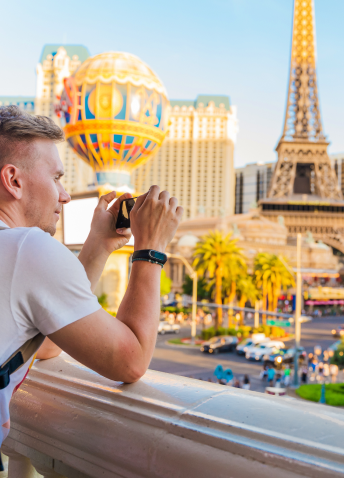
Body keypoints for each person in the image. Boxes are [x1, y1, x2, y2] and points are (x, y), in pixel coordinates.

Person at [0, 106, 183, 448]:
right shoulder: (27, 247)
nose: (65, 195)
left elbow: (48, 340)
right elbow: (130, 361)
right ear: (13, 180)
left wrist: (97, 246)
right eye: (56, 178)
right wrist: (151, 249)